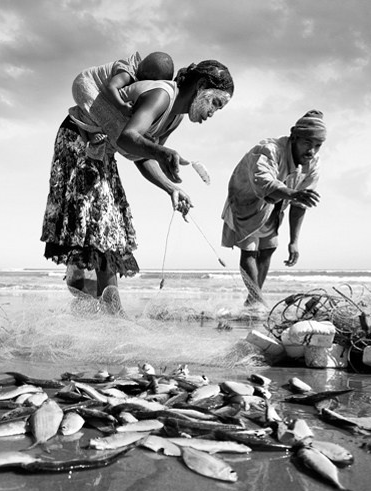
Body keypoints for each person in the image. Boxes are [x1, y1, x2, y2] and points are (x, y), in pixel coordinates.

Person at [42, 59, 235, 314]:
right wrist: (162, 152)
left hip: (102, 151)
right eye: (215, 103)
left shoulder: (174, 117)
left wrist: (171, 188)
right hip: (80, 139)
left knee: (108, 229)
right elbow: (129, 138)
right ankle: (112, 314)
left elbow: (140, 154)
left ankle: (95, 305)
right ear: (201, 86)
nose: (212, 113)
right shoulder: (162, 96)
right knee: (103, 227)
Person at [221, 110, 327, 305]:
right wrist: (293, 193)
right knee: (249, 249)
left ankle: (253, 300)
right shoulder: (270, 150)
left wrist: (294, 241)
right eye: (307, 143)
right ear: (294, 137)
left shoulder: (312, 163)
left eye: (317, 146)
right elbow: (264, 181)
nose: (311, 151)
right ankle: (257, 300)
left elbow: (300, 203)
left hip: (276, 203)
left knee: (269, 248)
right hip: (247, 198)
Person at [71, 51, 174, 158]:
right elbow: (111, 87)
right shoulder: (127, 73)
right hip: (85, 84)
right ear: (144, 73)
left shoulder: (139, 77)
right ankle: (86, 123)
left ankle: (93, 127)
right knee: (108, 118)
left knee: (114, 118)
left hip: (99, 92)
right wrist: (121, 105)